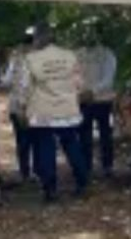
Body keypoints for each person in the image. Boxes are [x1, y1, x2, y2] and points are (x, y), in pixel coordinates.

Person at [23, 21, 88, 203]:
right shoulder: (69, 56)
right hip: (68, 110)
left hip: (43, 112)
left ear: (36, 39)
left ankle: (50, 188)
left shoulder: (31, 59)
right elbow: (80, 84)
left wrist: (22, 107)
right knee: (72, 145)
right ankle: (82, 182)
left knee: (46, 148)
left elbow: (25, 87)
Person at [78, 43, 118, 179]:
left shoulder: (107, 54)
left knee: (105, 134)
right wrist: (79, 92)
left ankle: (107, 166)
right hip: (83, 101)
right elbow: (74, 76)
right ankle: (86, 166)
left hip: (103, 101)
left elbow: (108, 78)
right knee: (84, 134)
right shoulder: (79, 54)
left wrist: (92, 91)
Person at [3, 28, 36, 184]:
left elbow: (8, 81)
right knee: (36, 139)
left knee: (22, 140)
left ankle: (25, 171)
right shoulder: (37, 59)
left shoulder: (15, 58)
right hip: (34, 106)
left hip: (16, 105)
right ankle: (35, 171)